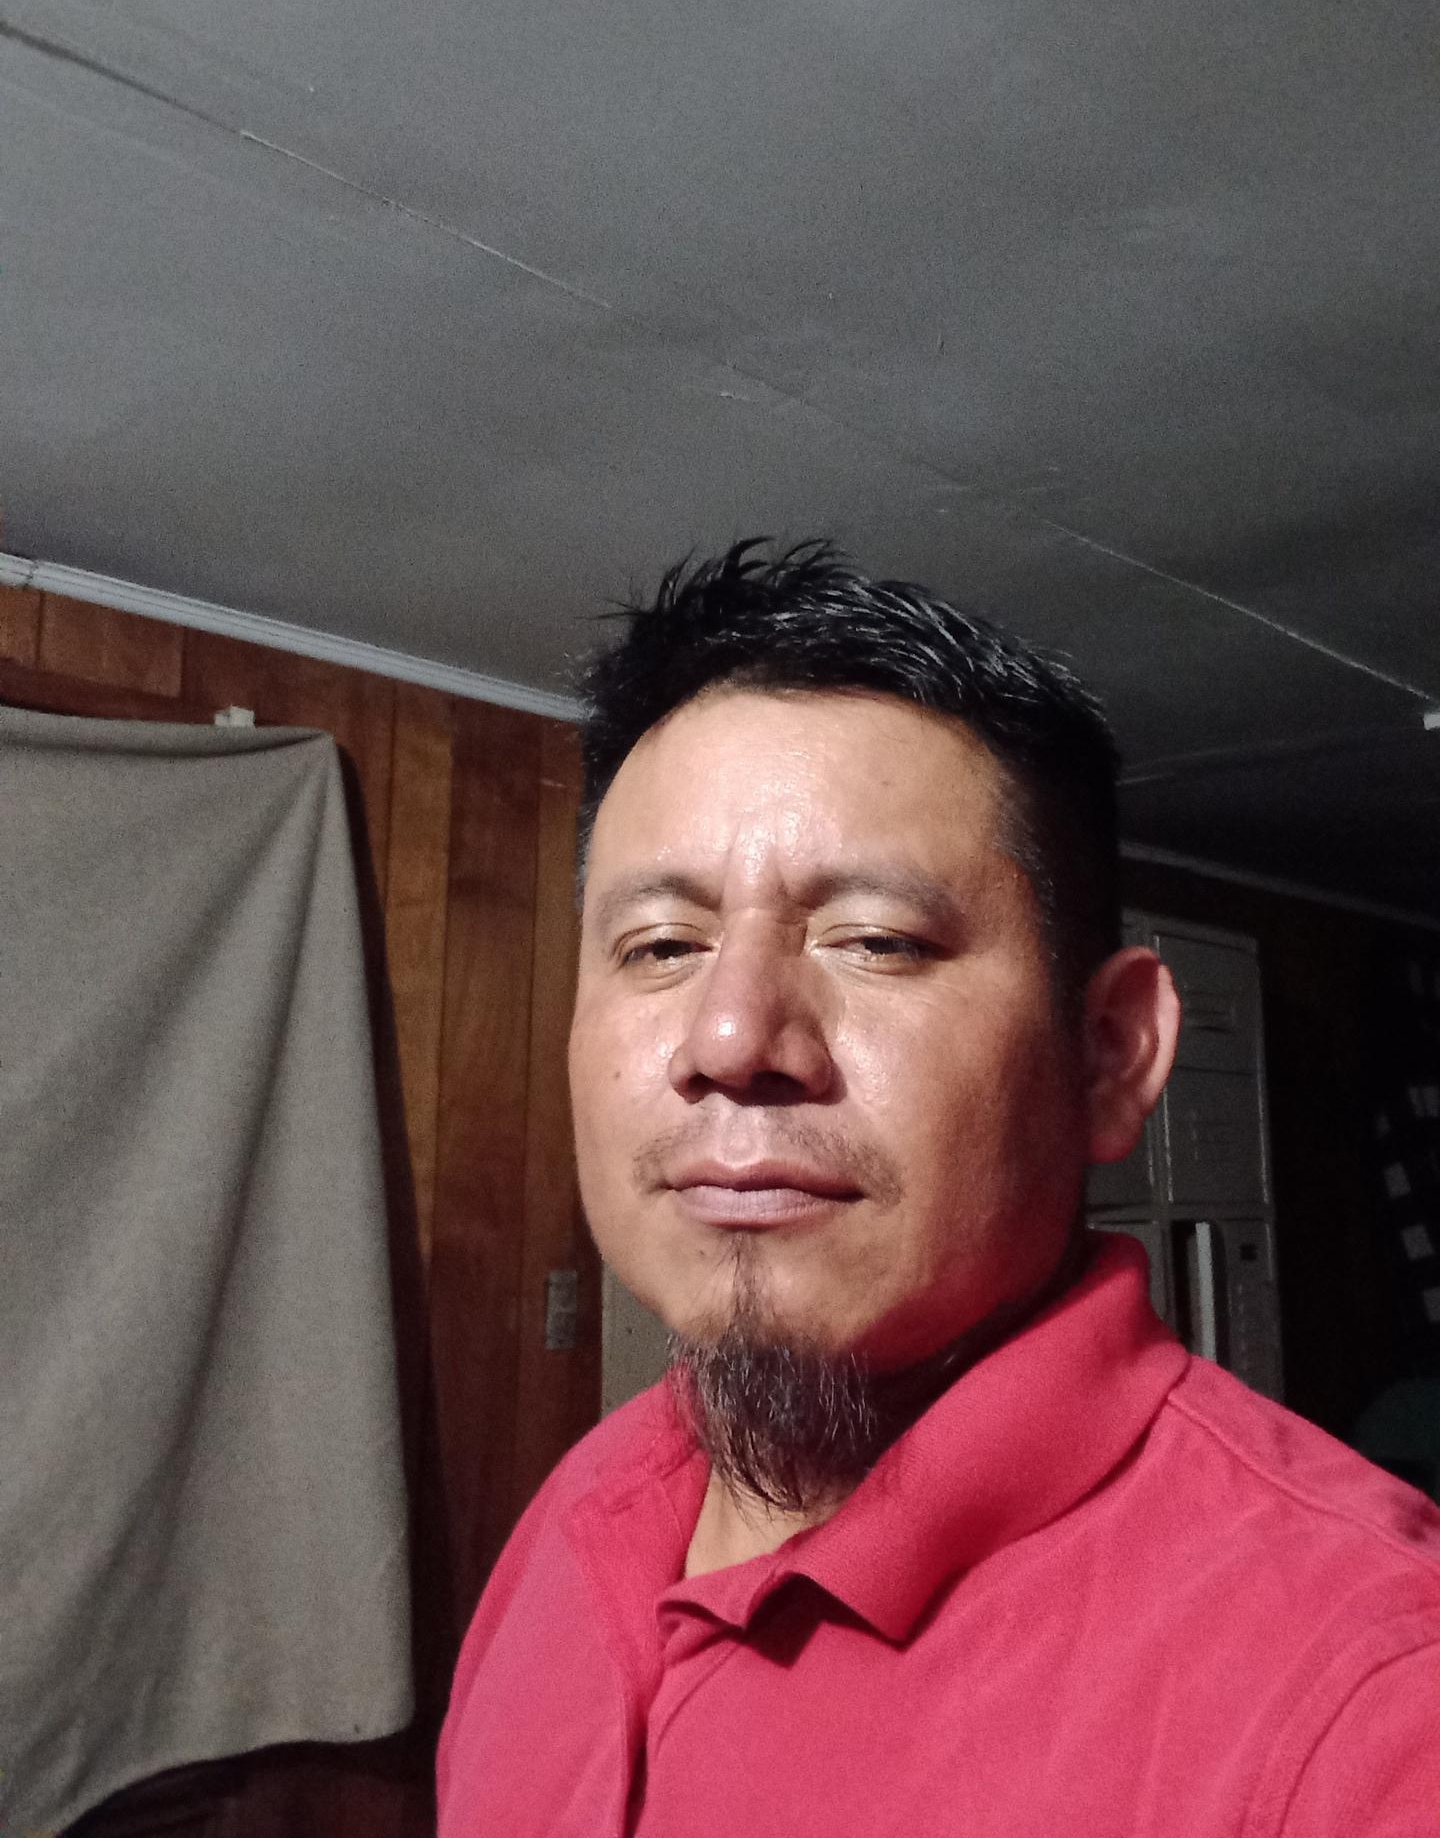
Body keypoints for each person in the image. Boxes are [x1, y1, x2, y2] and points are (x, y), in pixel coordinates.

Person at [437, 540, 1440, 1836]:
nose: (730, 1037)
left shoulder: (1365, 1698)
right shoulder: (583, 1509)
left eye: (876, 940)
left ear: (1109, 1056)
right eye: (663, 944)